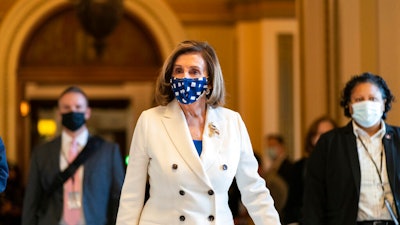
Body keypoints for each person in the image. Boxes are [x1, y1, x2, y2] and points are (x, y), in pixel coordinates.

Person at [116, 40, 281, 225]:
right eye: (178, 71)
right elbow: (132, 193)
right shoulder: (150, 121)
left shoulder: (231, 123)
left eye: (194, 71)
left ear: (209, 81)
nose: (184, 77)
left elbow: (253, 189)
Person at [303, 72, 400, 225]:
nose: (367, 104)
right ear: (349, 105)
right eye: (359, 99)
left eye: (373, 99)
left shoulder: (398, 139)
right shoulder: (330, 143)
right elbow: (314, 197)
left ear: (383, 103)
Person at [22, 86, 125, 225]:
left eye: (78, 107)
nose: (73, 111)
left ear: (87, 112)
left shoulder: (108, 151)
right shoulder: (41, 153)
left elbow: (118, 198)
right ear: (59, 114)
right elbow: (31, 201)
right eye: (66, 107)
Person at [283, 116, 337, 225]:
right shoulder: (299, 167)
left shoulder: (344, 166)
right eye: (320, 134)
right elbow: (291, 206)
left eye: (330, 133)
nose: (325, 138)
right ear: (312, 139)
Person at [263, 134, 293, 216]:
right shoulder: (272, 167)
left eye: (273, 145)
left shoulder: (288, 167)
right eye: (268, 146)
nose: (270, 149)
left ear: (281, 146)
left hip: (285, 212)